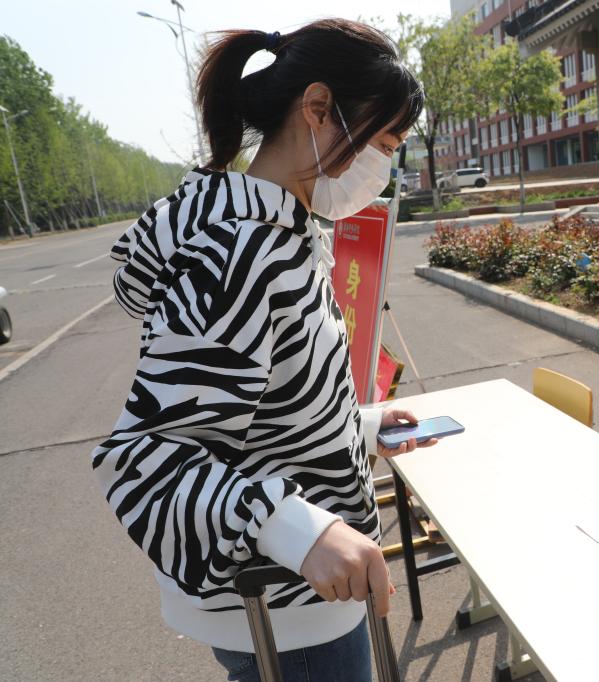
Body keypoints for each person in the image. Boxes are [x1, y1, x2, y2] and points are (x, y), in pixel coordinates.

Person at [92, 19, 429, 681]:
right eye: (384, 144)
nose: (384, 168)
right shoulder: (242, 254)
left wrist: (359, 426)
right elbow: (145, 459)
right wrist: (298, 530)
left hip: (295, 600)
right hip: (285, 609)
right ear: (317, 108)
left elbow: (265, 407)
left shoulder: (285, 233)